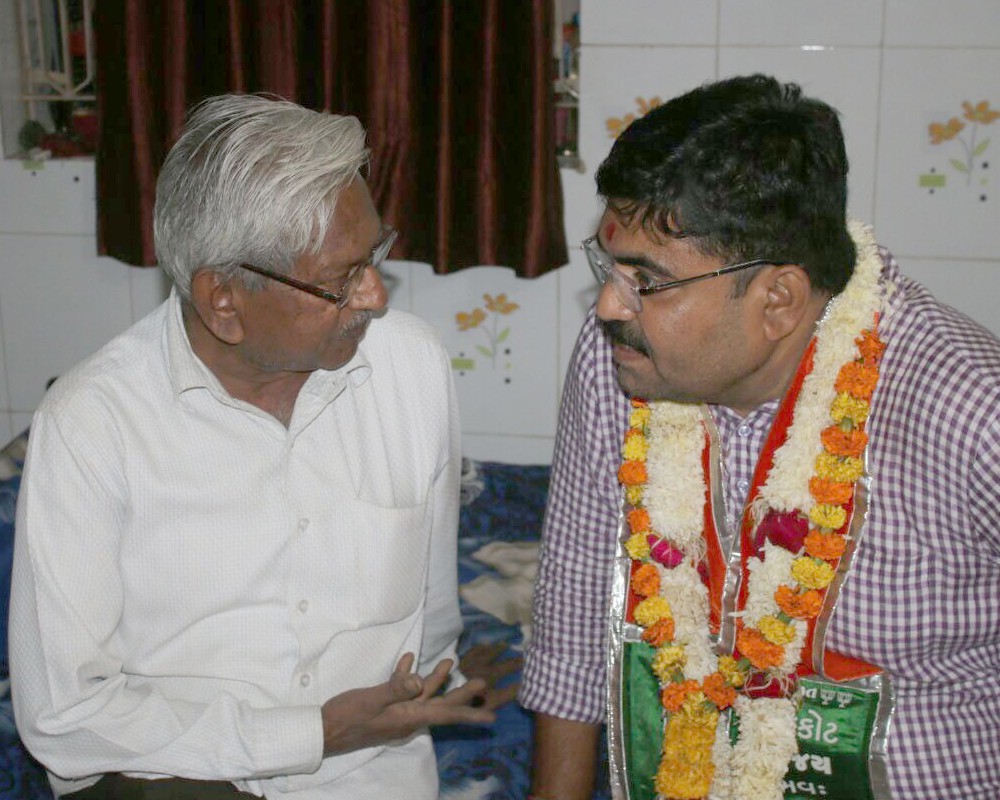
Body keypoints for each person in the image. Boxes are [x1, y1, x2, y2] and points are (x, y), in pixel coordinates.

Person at [520, 74, 1000, 800]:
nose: (611, 305)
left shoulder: (970, 408)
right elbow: (575, 608)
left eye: (645, 280)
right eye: (608, 267)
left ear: (777, 300)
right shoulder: (619, 359)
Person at [9, 93, 497, 800]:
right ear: (223, 302)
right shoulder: (93, 423)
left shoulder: (410, 369)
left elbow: (433, 616)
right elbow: (64, 716)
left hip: (370, 776)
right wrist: (311, 734)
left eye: (374, 257)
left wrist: (407, 702)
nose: (375, 297)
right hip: (166, 778)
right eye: (341, 280)